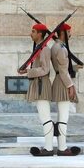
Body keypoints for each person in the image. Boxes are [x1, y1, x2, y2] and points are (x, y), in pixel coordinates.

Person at [18, 23, 54, 156]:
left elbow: (45, 69)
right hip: (38, 83)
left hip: (42, 84)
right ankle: (48, 147)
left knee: (45, 117)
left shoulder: (44, 49)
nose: (30, 34)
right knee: (44, 117)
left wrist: (29, 71)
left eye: (33, 31)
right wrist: (26, 71)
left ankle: (49, 148)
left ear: (40, 34)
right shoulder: (38, 48)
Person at [50, 23, 81, 156]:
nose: (70, 35)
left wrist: (74, 68)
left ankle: (61, 146)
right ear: (63, 33)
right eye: (68, 32)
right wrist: (70, 86)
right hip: (63, 83)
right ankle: (62, 148)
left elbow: (62, 68)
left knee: (62, 116)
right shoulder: (61, 48)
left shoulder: (55, 46)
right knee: (63, 117)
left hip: (59, 80)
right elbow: (62, 70)